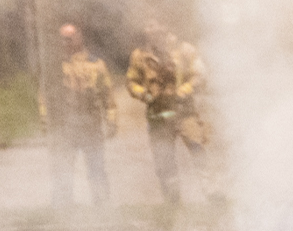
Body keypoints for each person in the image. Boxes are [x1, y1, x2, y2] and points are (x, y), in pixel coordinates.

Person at [125, 19, 215, 205]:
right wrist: (146, 95)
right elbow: (131, 82)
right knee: (164, 159)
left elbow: (200, 74)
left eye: (156, 25)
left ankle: (212, 194)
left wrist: (183, 91)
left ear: (166, 27)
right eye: (149, 26)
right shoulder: (140, 55)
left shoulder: (184, 50)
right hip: (158, 114)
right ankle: (172, 200)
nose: (152, 30)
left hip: (185, 113)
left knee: (198, 150)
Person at [42, 23, 119, 207]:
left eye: (71, 37)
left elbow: (107, 94)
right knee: (63, 167)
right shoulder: (55, 67)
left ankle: (102, 203)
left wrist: (111, 119)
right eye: (63, 38)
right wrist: (46, 121)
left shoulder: (96, 64)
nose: (67, 41)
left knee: (96, 166)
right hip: (65, 124)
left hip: (91, 123)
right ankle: (62, 204)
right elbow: (45, 95)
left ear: (80, 37)